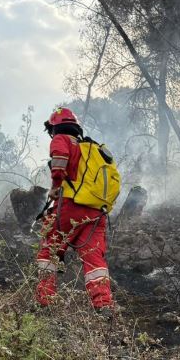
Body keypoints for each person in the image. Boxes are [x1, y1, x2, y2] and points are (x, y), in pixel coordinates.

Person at [36, 107, 118, 312]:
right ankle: (103, 304)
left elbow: (60, 160)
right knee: (94, 258)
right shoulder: (93, 149)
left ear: (54, 128)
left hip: (71, 207)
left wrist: (55, 186)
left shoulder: (62, 139)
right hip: (97, 212)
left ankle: (45, 301)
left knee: (50, 249)